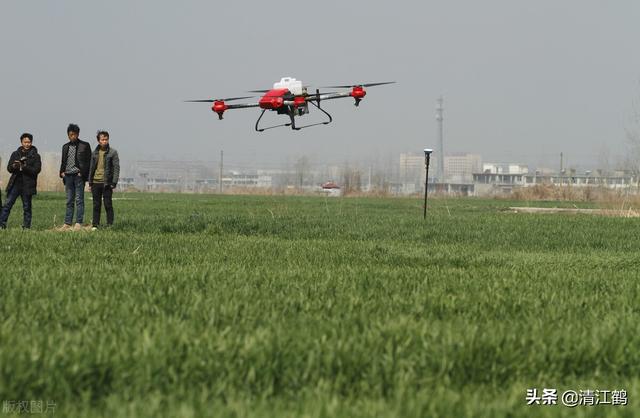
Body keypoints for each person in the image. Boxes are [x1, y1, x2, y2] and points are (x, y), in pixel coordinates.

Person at [0, 133, 42, 229]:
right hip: (15, 183)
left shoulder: (36, 156)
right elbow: (9, 168)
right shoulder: (15, 154)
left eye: (29, 142)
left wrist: (24, 166)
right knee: (7, 205)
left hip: (28, 184)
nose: (27, 144)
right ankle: (2, 224)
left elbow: (36, 170)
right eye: (25, 142)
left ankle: (26, 227)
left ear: (31, 142)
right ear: (21, 142)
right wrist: (14, 166)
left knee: (27, 207)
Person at [59, 123, 91, 230]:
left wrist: (82, 173)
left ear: (78, 134)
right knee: (69, 200)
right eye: (71, 134)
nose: (73, 136)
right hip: (67, 176)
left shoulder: (85, 145)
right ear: (68, 135)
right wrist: (62, 172)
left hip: (78, 176)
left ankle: (78, 222)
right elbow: (63, 161)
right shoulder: (65, 147)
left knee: (79, 199)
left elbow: (88, 161)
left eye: (75, 134)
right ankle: (67, 223)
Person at [88, 130, 120, 229]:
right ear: (99, 141)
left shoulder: (113, 152)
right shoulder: (94, 153)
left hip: (107, 183)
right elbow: (91, 167)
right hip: (95, 182)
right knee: (96, 205)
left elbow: (116, 168)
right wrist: (90, 182)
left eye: (106, 139)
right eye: (102, 139)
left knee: (108, 204)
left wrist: (114, 182)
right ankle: (95, 225)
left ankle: (110, 225)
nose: (105, 141)